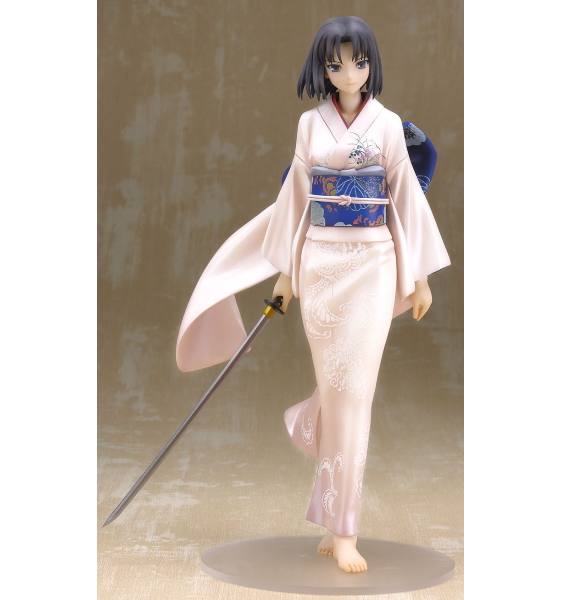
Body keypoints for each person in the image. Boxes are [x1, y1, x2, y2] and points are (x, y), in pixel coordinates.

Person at [176, 16, 450, 574]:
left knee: (355, 390)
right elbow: (296, 197)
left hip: (373, 262)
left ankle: (345, 529)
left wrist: (420, 275)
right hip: (321, 263)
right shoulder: (309, 125)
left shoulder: (388, 125)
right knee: (337, 384)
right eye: (336, 64)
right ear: (323, 69)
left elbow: (406, 198)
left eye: (359, 62)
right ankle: (330, 511)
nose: (349, 73)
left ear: (371, 65)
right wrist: (284, 272)